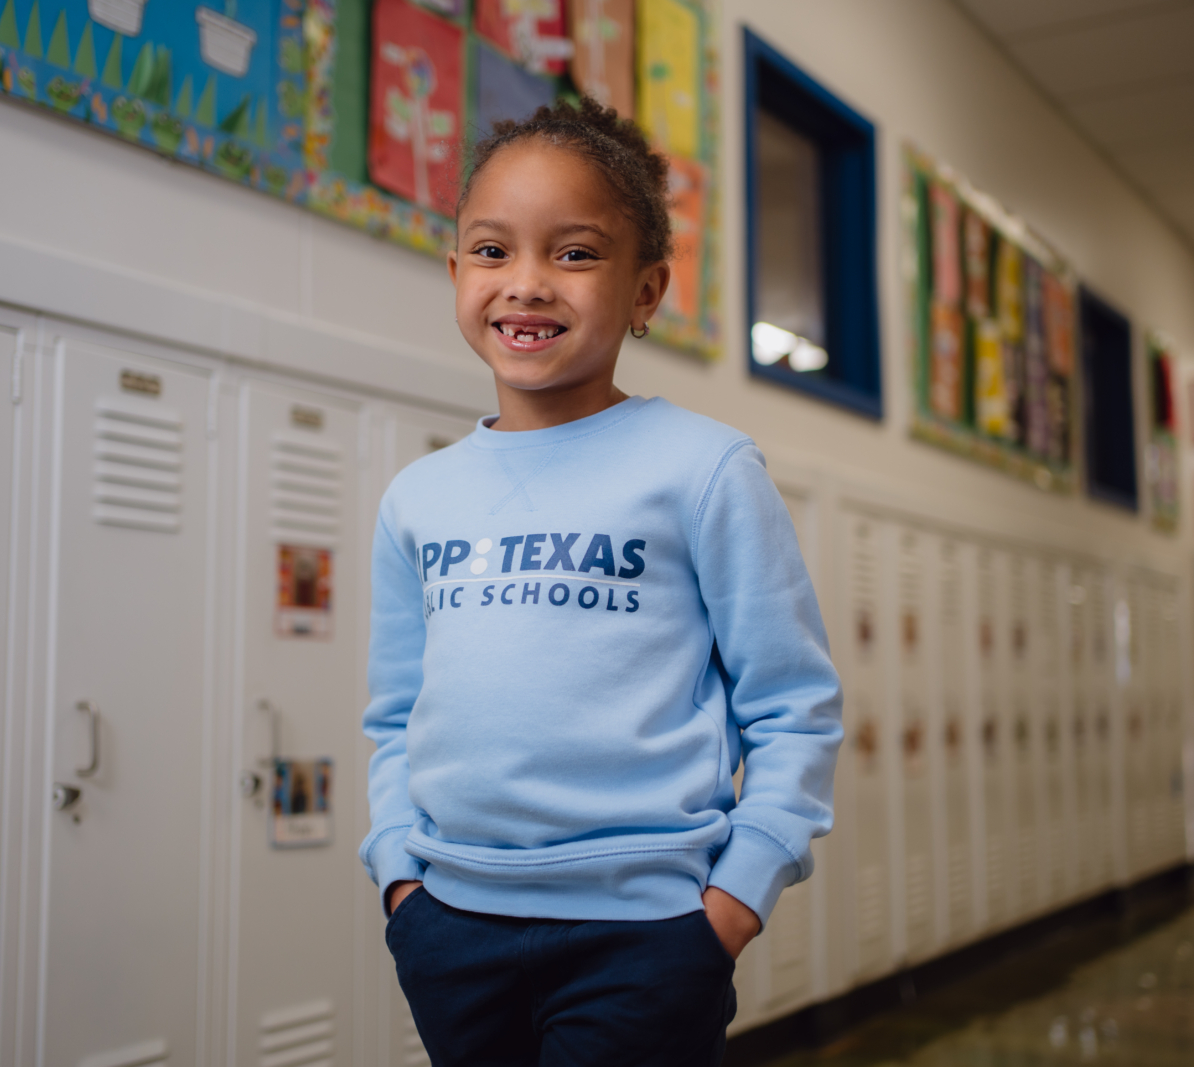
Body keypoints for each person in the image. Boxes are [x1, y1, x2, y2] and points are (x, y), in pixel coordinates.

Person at [359, 97, 844, 1067]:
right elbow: (394, 715)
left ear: (645, 288)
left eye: (575, 253)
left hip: (648, 933)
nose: (526, 284)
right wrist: (399, 878)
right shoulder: (418, 496)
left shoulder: (703, 469)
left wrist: (735, 898)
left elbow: (792, 705)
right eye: (492, 252)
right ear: (456, 273)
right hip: (450, 923)